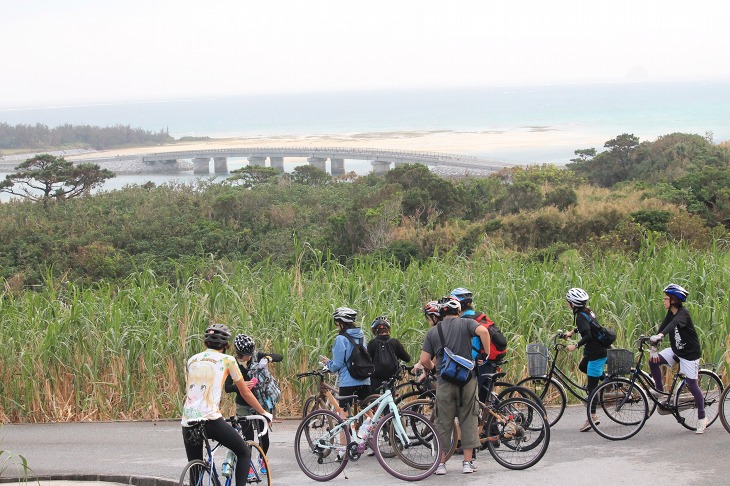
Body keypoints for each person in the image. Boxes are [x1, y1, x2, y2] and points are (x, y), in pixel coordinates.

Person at [181, 323, 273, 486]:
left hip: (188, 420)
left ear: (205, 343)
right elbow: (245, 392)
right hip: (210, 419)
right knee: (243, 451)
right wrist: (263, 412)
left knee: (195, 475)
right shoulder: (228, 360)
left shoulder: (192, 360)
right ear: (226, 345)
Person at [417, 296, 491, 475]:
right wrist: (485, 354)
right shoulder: (467, 324)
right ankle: (467, 463)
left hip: (444, 381)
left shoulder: (433, 332)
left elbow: (425, 360)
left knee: (443, 422)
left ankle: (441, 464)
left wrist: (434, 368)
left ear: (441, 312)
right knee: (468, 419)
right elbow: (484, 332)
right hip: (467, 379)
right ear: (458, 310)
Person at [648, 283, 706, 433]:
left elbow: (672, 325)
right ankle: (660, 390)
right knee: (653, 361)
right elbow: (664, 325)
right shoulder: (671, 313)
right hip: (676, 351)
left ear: (673, 300)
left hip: (689, 355)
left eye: (666, 298)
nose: (664, 300)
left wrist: (661, 335)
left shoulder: (682, 314)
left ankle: (702, 418)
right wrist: (654, 345)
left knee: (692, 385)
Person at [319, 306, 372, 458]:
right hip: (364, 379)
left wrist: (327, 363)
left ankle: (343, 449)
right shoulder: (361, 335)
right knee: (368, 412)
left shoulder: (340, 339)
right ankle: (370, 439)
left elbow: (336, 365)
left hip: (348, 382)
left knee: (343, 416)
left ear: (341, 323)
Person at [224, 333, 283, 460]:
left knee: (264, 437)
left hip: (259, 402)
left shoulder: (256, 356)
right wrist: (241, 385)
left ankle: (262, 459)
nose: (250, 356)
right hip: (243, 404)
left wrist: (267, 359)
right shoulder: (233, 364)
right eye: (247, 355)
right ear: (239, 353)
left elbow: (279, 356)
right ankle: (248, 465)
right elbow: (227, 388)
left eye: (251, 353)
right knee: (248, 437)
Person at [450, 287, 507, 402]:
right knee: (484, 399)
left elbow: (471, 350)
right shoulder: (479, 317)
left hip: (479, 365)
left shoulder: (466, 321)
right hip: (489, 362)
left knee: (469, 400)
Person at [563, 287, 608, 432]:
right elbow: (589, 327)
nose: (567, 304)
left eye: (568, 302)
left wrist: (574, 345)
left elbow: (588, 335)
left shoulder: (581, 316)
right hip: (597, 350)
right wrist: (572, 332)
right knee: (583, 366)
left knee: (592, 388)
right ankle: (606, 380)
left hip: (596, 353)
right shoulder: (587, 311)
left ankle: (592, 417)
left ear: (573, 304)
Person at [367, 316, 411, 394]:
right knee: (389, 399)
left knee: (374, 400)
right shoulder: (394, 342)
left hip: (375, 378)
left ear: (375, 331)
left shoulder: (372, 343)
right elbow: (407, 358)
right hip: (391, 378)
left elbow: (367, 360)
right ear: (388, 329)